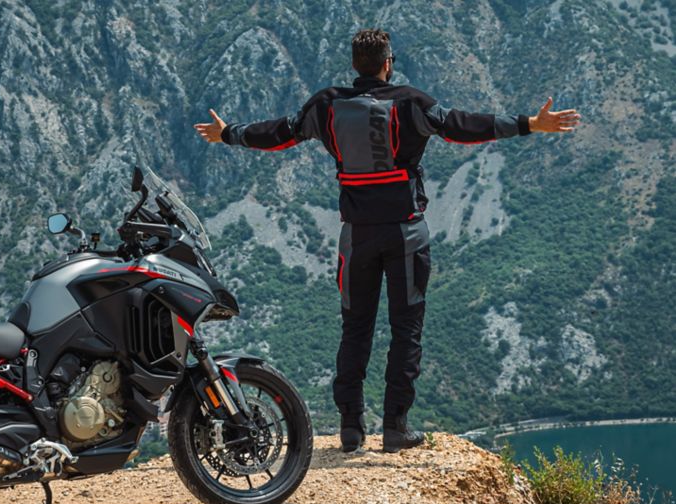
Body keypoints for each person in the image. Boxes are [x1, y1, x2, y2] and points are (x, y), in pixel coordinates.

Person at [194, 28, 580, 453]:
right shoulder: (411, 103)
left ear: (355, 64)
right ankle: (396, 426)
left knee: (355, 328)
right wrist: (530, 124)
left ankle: (350, 427)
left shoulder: (326, 105)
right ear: (388, 62)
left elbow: (279, 134)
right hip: (405, 234)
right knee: (406, 327)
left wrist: (228, 132)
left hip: (355, 237)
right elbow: (464, 126)